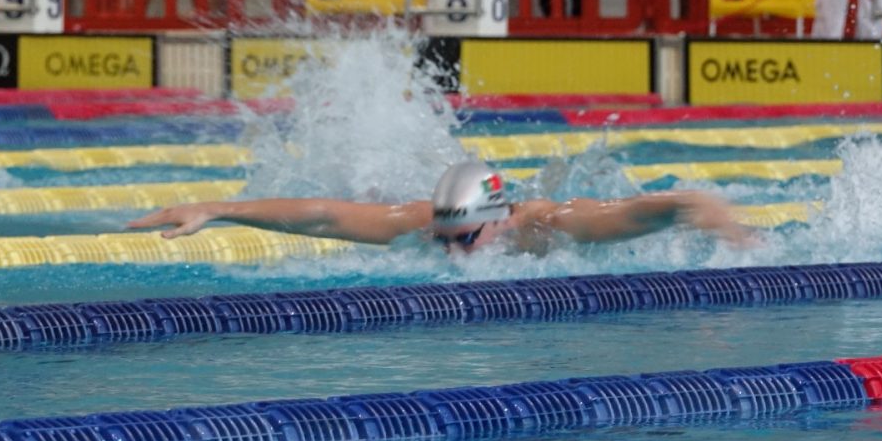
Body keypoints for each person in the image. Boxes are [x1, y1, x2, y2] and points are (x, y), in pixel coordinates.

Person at [129, 160, 752, 254]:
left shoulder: (546, 226)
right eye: (445, 239)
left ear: (499, 220)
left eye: (466, 240)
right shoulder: (426, 226)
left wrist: (699, 208)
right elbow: (325, 215)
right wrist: (216, 207)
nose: (454, 252)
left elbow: (640, 213)